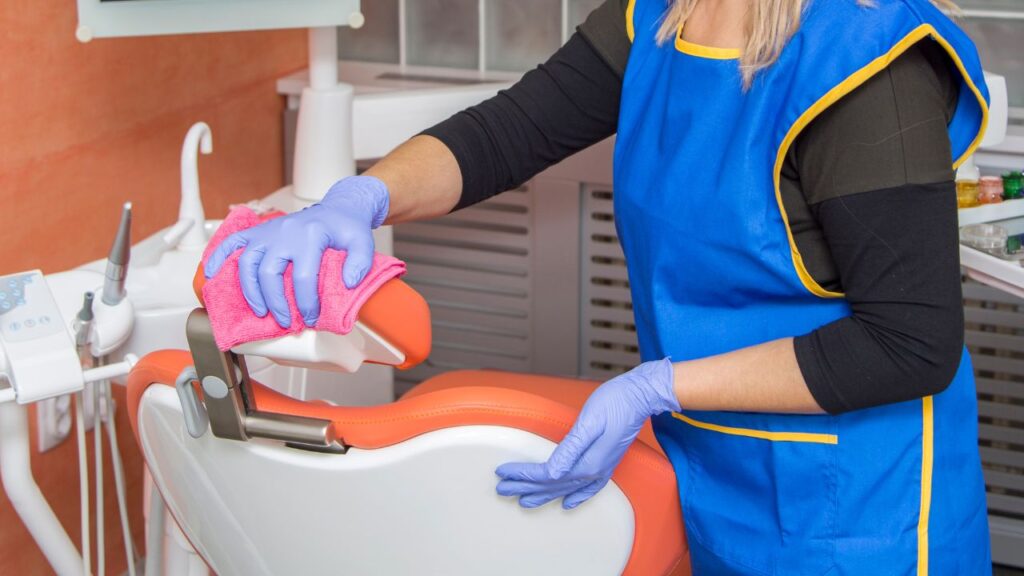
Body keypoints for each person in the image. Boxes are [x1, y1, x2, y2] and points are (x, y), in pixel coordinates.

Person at [204, 0, 992, 572]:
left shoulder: (864, 57)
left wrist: (657, 386)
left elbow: (909, 345)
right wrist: (362, 197)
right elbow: (505, 133)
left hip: (857, 509)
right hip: (710, 459)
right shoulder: (661, 16)